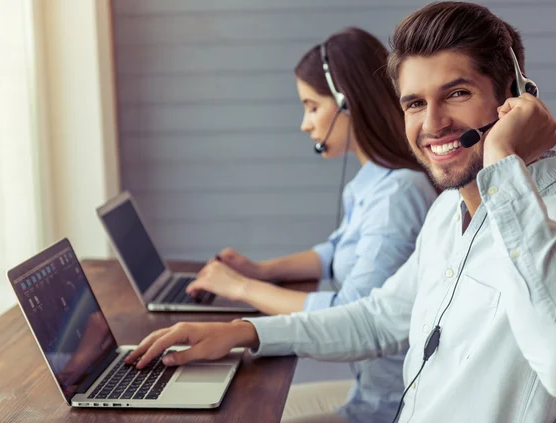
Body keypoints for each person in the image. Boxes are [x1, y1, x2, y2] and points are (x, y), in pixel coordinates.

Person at [126, 3, 556, 422]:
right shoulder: (449, 214)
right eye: (415, 103)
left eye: (456, 94)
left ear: (515, 97)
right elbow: (377, 320)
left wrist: (504, 160)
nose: (432, 125)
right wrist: (244, 331)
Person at [186, 27, 437, 423]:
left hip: (386, 408)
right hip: (367, 395)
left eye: (312, 106)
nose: (305, 123)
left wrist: (242, 289)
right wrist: (263, 270)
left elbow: (349, 313)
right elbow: (335, 252)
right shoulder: (374, 182)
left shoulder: (398, 195)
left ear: (346, 103)